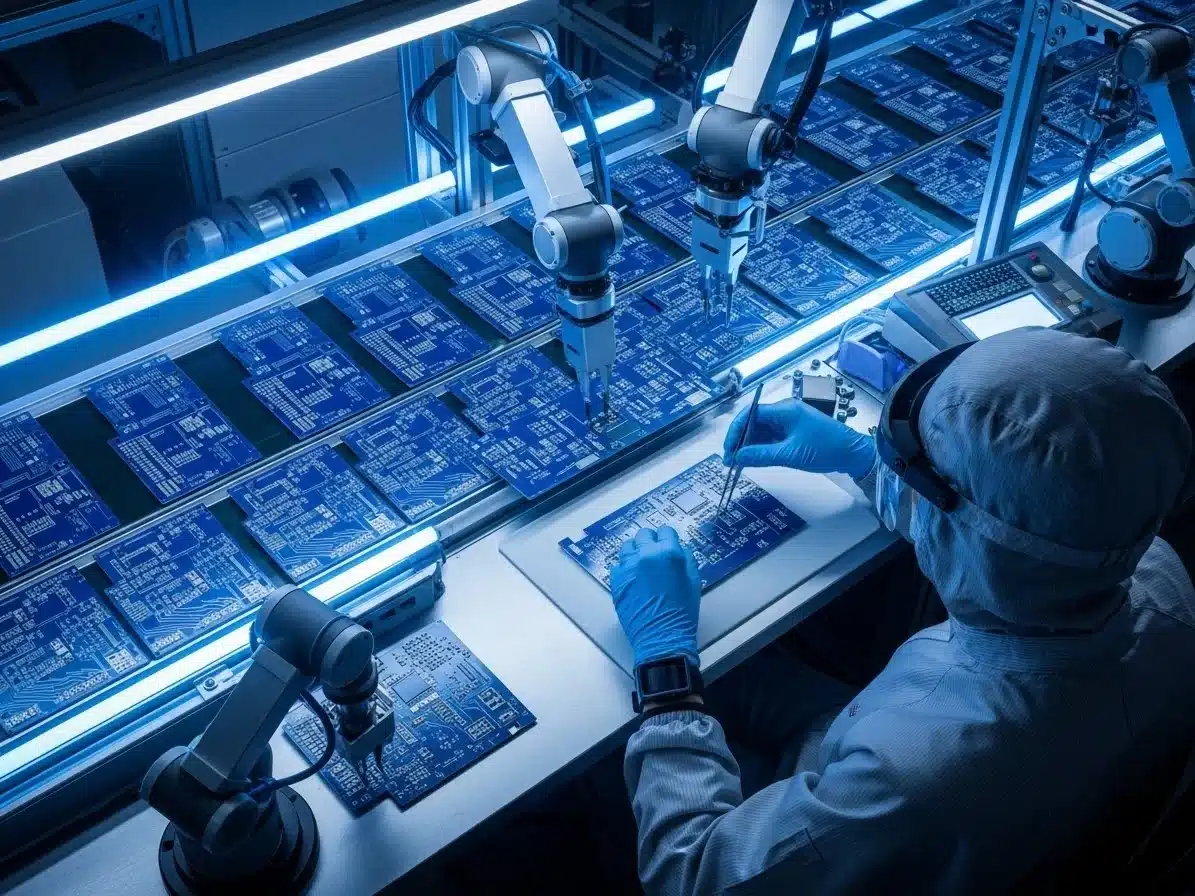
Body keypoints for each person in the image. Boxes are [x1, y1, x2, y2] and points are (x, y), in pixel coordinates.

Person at [607, 328, 1195, 895]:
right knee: (739, 677)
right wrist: (865, 463)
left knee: (608, 755)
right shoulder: (1158, 575)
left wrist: (665, 666)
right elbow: (1004, 538)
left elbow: (693, 876)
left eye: (921, 474)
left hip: (878, 813)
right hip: (980, 793)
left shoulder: (909, 776)